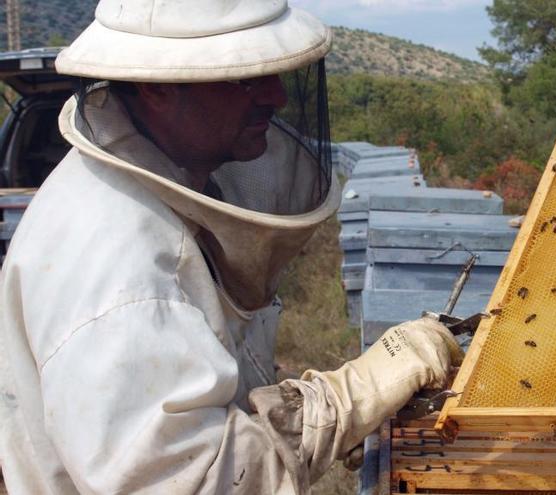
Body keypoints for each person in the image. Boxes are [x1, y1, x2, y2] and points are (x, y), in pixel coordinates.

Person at [0, 0, 462, 493]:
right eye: (246, 77)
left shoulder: (167, 191)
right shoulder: (123, 273)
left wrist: (323, 424)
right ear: (156, 87)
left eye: (276, 72)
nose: (277, 96)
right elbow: (197, 482)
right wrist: (346, 401)